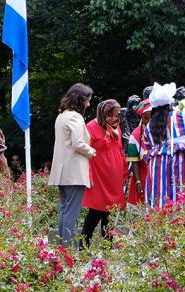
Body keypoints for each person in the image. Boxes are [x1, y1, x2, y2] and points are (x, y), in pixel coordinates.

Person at [49, 83, 96, 248]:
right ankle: (68, 250)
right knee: (72, 213)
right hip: (74, 172)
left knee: (64, 211)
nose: (88, 104)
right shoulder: (76, 117)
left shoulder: (61, 116)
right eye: (87, 100)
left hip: (61, 172)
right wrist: (92, 152)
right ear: (80, 99)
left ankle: (62, 247)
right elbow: (78, 143)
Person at [143, 82, 185, 208]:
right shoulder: (184, 116)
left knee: (161, 196)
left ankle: (161, 222)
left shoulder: (149, 126)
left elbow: (147, 149)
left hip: (158, 165)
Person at [81, 99, 128, 245]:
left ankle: (108, 247)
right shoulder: (90, 127)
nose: (114, 119)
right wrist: (87, 175)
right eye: (111, 115)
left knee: (110, 212)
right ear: (103, 113)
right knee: (95, 211)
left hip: (113, 177)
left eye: (117, 116)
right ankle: (84, 247)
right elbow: (85, 153)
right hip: (98, 175)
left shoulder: (116, 128)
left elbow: (120, 151)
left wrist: (125, 173)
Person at [126, 99, 151, 205]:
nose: (149, 121)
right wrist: (137, 181)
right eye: (146, 118)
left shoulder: (164, 130)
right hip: (144, 176)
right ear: (141, 118)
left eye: (152, 117)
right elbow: (134, 160)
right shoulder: (135, 135)